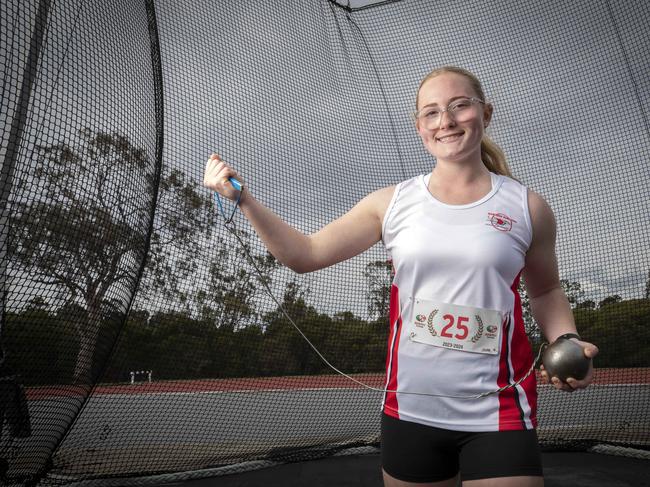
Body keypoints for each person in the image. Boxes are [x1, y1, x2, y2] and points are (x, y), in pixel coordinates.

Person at [203, 66, 599, 487]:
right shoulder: (391, 203)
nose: (445, 121)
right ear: (419, 127)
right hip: (410, 410)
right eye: (431, 113)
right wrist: (243, 199)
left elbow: (547, 290)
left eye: (459, 106)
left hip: (498, 409)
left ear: (485, 113)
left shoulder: (527, 207)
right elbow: (307, 254)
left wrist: (567, 340)